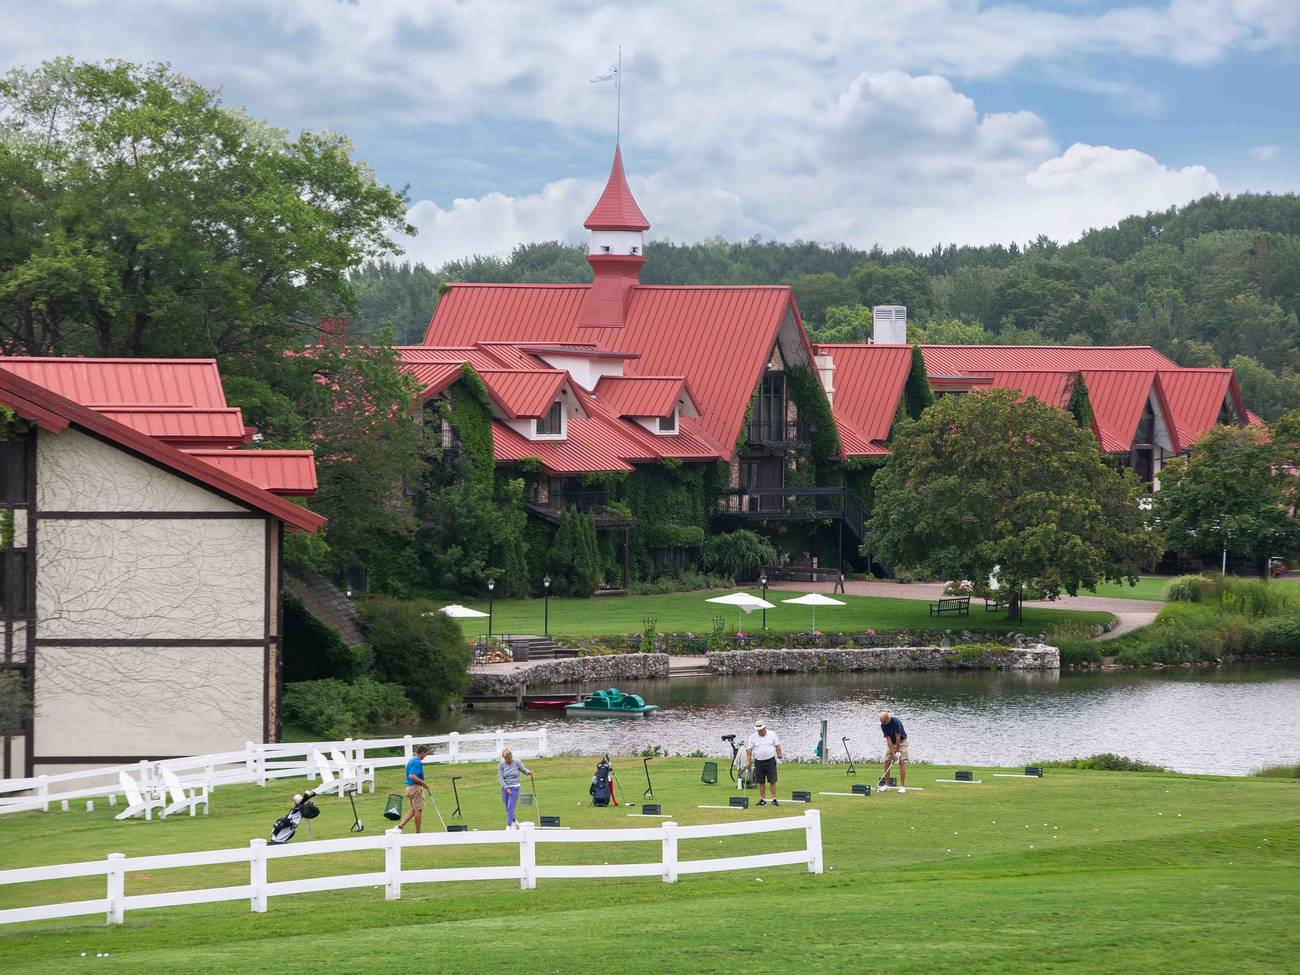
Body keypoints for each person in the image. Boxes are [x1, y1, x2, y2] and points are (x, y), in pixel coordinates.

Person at [745, 720, 783, 806]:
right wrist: (748, 761)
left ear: (765, 728)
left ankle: (774, 799)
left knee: (772, 780)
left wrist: (779, 756)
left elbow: (777, 746)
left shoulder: (772, 734)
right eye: (758, 730)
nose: (760, 731)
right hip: (758, 761)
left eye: (761, 729)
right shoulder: (753, 737)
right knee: (761, 781)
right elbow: (749, 750)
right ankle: (762, 799)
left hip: (770, 760)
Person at [398, 744, 432, 832]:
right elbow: (412, 775)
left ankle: (400, 826)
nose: (425, 756)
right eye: (426, 754)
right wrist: (423, 783)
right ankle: (418, 833)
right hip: (415, 788)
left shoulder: (412, 760)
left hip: (409, 788)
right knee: (418, 810)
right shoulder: (417, 762)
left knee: (413, 809)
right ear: (422, 752)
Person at [498, 747, 533, 828]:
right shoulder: (501, 764)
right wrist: (506, 788)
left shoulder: (517, 762)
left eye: (508, 758)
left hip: (515, 787)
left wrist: (528, 772)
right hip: (505, 788)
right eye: (505, 758)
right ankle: (515, 821)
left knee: (511, 807)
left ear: (511, 756)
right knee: (507, 808)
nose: (507, 760)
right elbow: (500, 778)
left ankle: (508, 825)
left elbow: (524, 769)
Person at [879, 711, 908, 794]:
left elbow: (898, 738)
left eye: (884, 722)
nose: (883, 723)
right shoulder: (883, 725)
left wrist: (898, 752)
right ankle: (887, 785)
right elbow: (888, 739)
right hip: (892, 744)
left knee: (901, 762)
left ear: (888, 718)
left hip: (902, 742)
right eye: (882, 722)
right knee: (886, 761)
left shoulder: (896, 722)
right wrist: (893, 753)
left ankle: (902, 787)